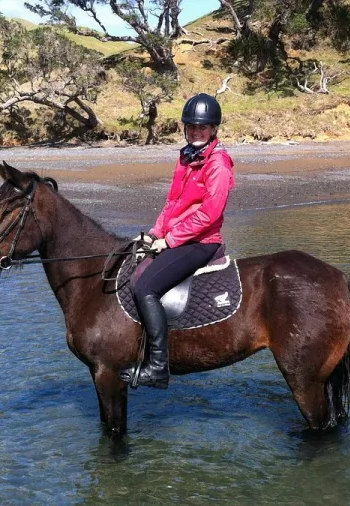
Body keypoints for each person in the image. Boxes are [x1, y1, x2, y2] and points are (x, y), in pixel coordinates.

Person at [119, 93, 235, 389]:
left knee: (145, 286)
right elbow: (173, 203)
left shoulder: (218, 164)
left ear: (213, 130)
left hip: (202, 241)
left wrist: (169, 241)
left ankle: (157, 367)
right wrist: (154, 233)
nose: (197, 132)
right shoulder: (186, 157)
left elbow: (209, 214)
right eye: (192, 127)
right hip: (176, 237)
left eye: (203, 128)